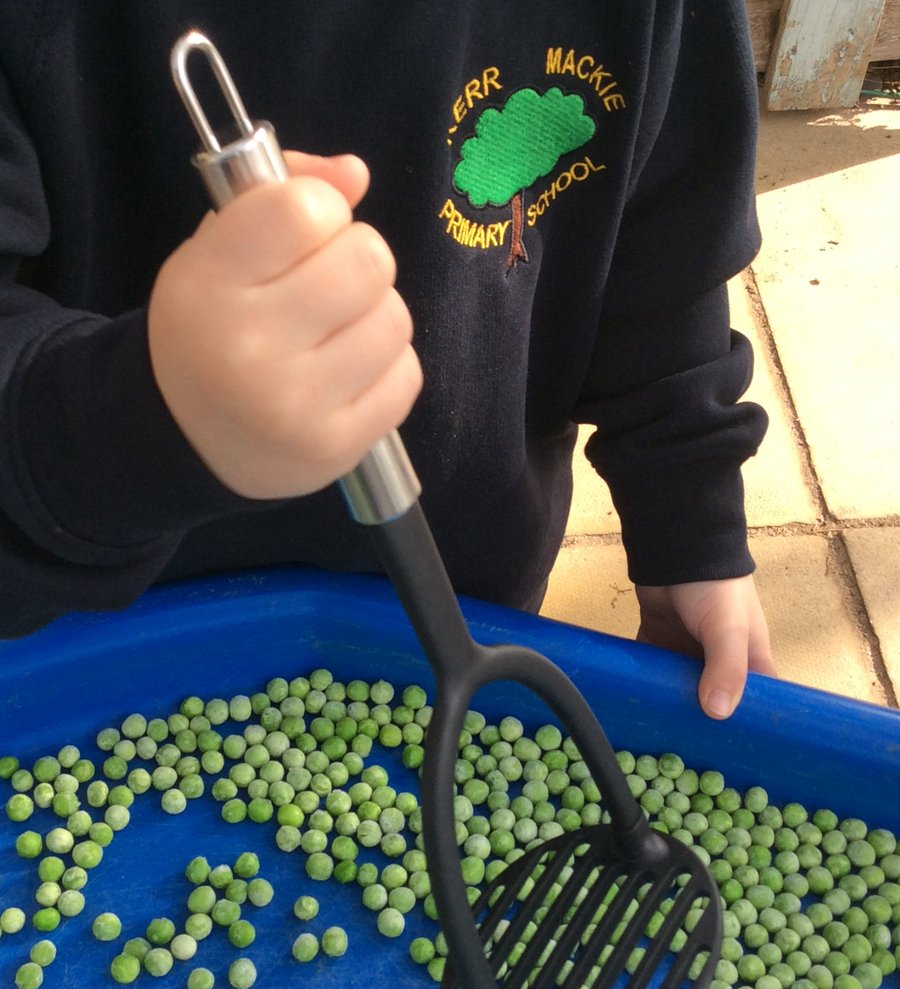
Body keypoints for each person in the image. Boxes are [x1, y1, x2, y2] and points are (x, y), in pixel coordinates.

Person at [0, 1, 776, 717]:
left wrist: (691, 521)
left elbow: (664, 253)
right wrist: (151, 416)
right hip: (90, 635)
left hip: (463, 602)